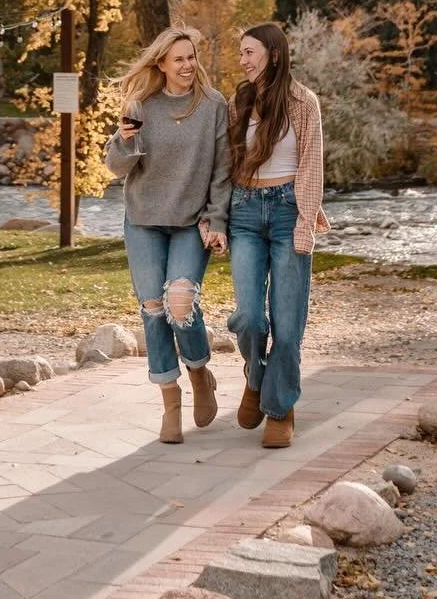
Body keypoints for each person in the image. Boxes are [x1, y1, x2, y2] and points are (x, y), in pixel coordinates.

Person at [104, 26, 232, 444]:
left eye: (191, 57)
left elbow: (222, 170)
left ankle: (199, 372)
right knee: (154, 306)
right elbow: (118, 168)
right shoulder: (141, 105)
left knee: (180, 301)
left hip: (191, 222)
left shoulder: (214, 106)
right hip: (143, 220)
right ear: (161, 64)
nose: (187, 65)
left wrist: (216, 219)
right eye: (178, 59)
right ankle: (170, 399)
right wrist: (122, 142)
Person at [226, 22, 328, 449]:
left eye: (249, 52)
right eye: (242, 53)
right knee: (250, 317)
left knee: (288, 324)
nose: (243, 60)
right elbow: (226, 164)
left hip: (288, 210)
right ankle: (256, 375)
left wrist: (306, 224)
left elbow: (311, 163)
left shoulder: (303, 102)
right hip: (245, 211)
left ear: (272, 52)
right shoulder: (240, 101)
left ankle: (280, 407)